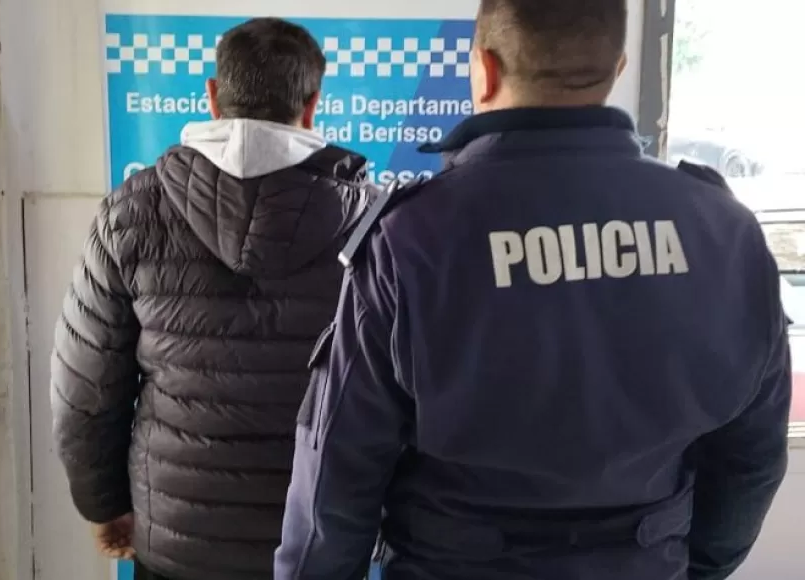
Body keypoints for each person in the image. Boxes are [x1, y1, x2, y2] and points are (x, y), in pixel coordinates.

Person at [275, 1, 791, 579]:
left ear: (486, 70)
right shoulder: (723, 230)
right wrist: (689, 567)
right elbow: (752, 458)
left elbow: (337, 474)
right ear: (617, 67)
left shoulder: (410, 239)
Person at [50, 17, 373, 580]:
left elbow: (85, 389)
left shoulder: (132, 212)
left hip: (177, 541)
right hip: (316, 538)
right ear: (312, 104)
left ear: (213, 97)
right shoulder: (369, 223)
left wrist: (102, 504)